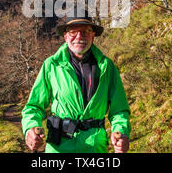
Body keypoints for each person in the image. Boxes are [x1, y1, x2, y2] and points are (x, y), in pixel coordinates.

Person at [21, 13, 131, 153]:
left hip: (95, 148)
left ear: (93, 35)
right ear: (66, 36)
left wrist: (121, 132)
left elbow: (119, 110)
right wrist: (31, 127)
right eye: (73, 32)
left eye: (85, 32)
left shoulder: (107, 67)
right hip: (59, 147)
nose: (79, 37)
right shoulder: (51, 66)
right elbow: (34, 107)